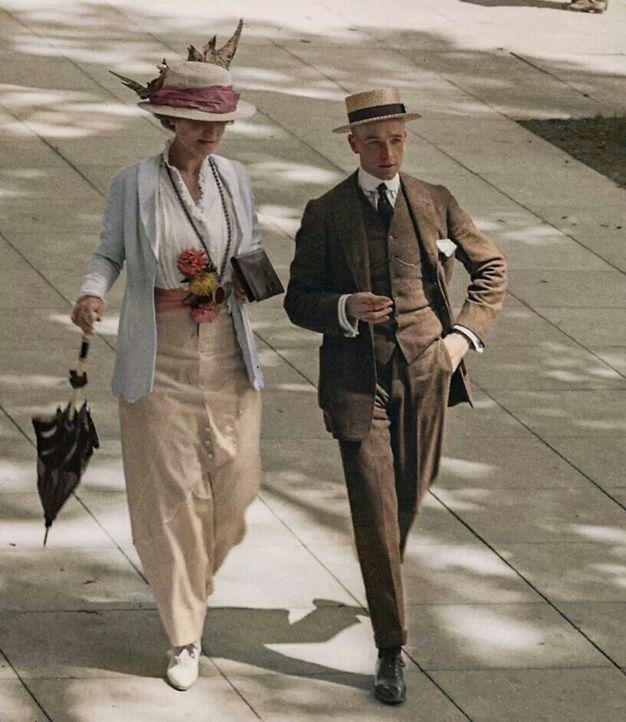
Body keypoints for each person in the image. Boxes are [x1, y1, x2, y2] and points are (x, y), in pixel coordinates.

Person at [284, 89, 507, 705]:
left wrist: (462, 339)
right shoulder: (325, 212)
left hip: (429, 372)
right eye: (375, 141)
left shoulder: (434, 201)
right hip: (359, 382)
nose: (388, 152)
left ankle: (382, 576)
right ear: (352, 144)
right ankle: (390, 648)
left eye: (398, 139)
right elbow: (297, 299)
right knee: (374, 509)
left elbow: (491, 269)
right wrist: (343, 308)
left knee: (408, 494)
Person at [71, 23, 264, 691]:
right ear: (169, 121)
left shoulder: (236, 179)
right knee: (169, 498)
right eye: (194, 123)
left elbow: (253, 253)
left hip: (228, 353)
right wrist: (93, 295)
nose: (210, 134)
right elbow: (108, 254)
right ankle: (184, 634)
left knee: (235, 489)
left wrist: (245, 278)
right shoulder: (134, 183)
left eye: (218, 123)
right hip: (161, 358)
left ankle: (196, 585)